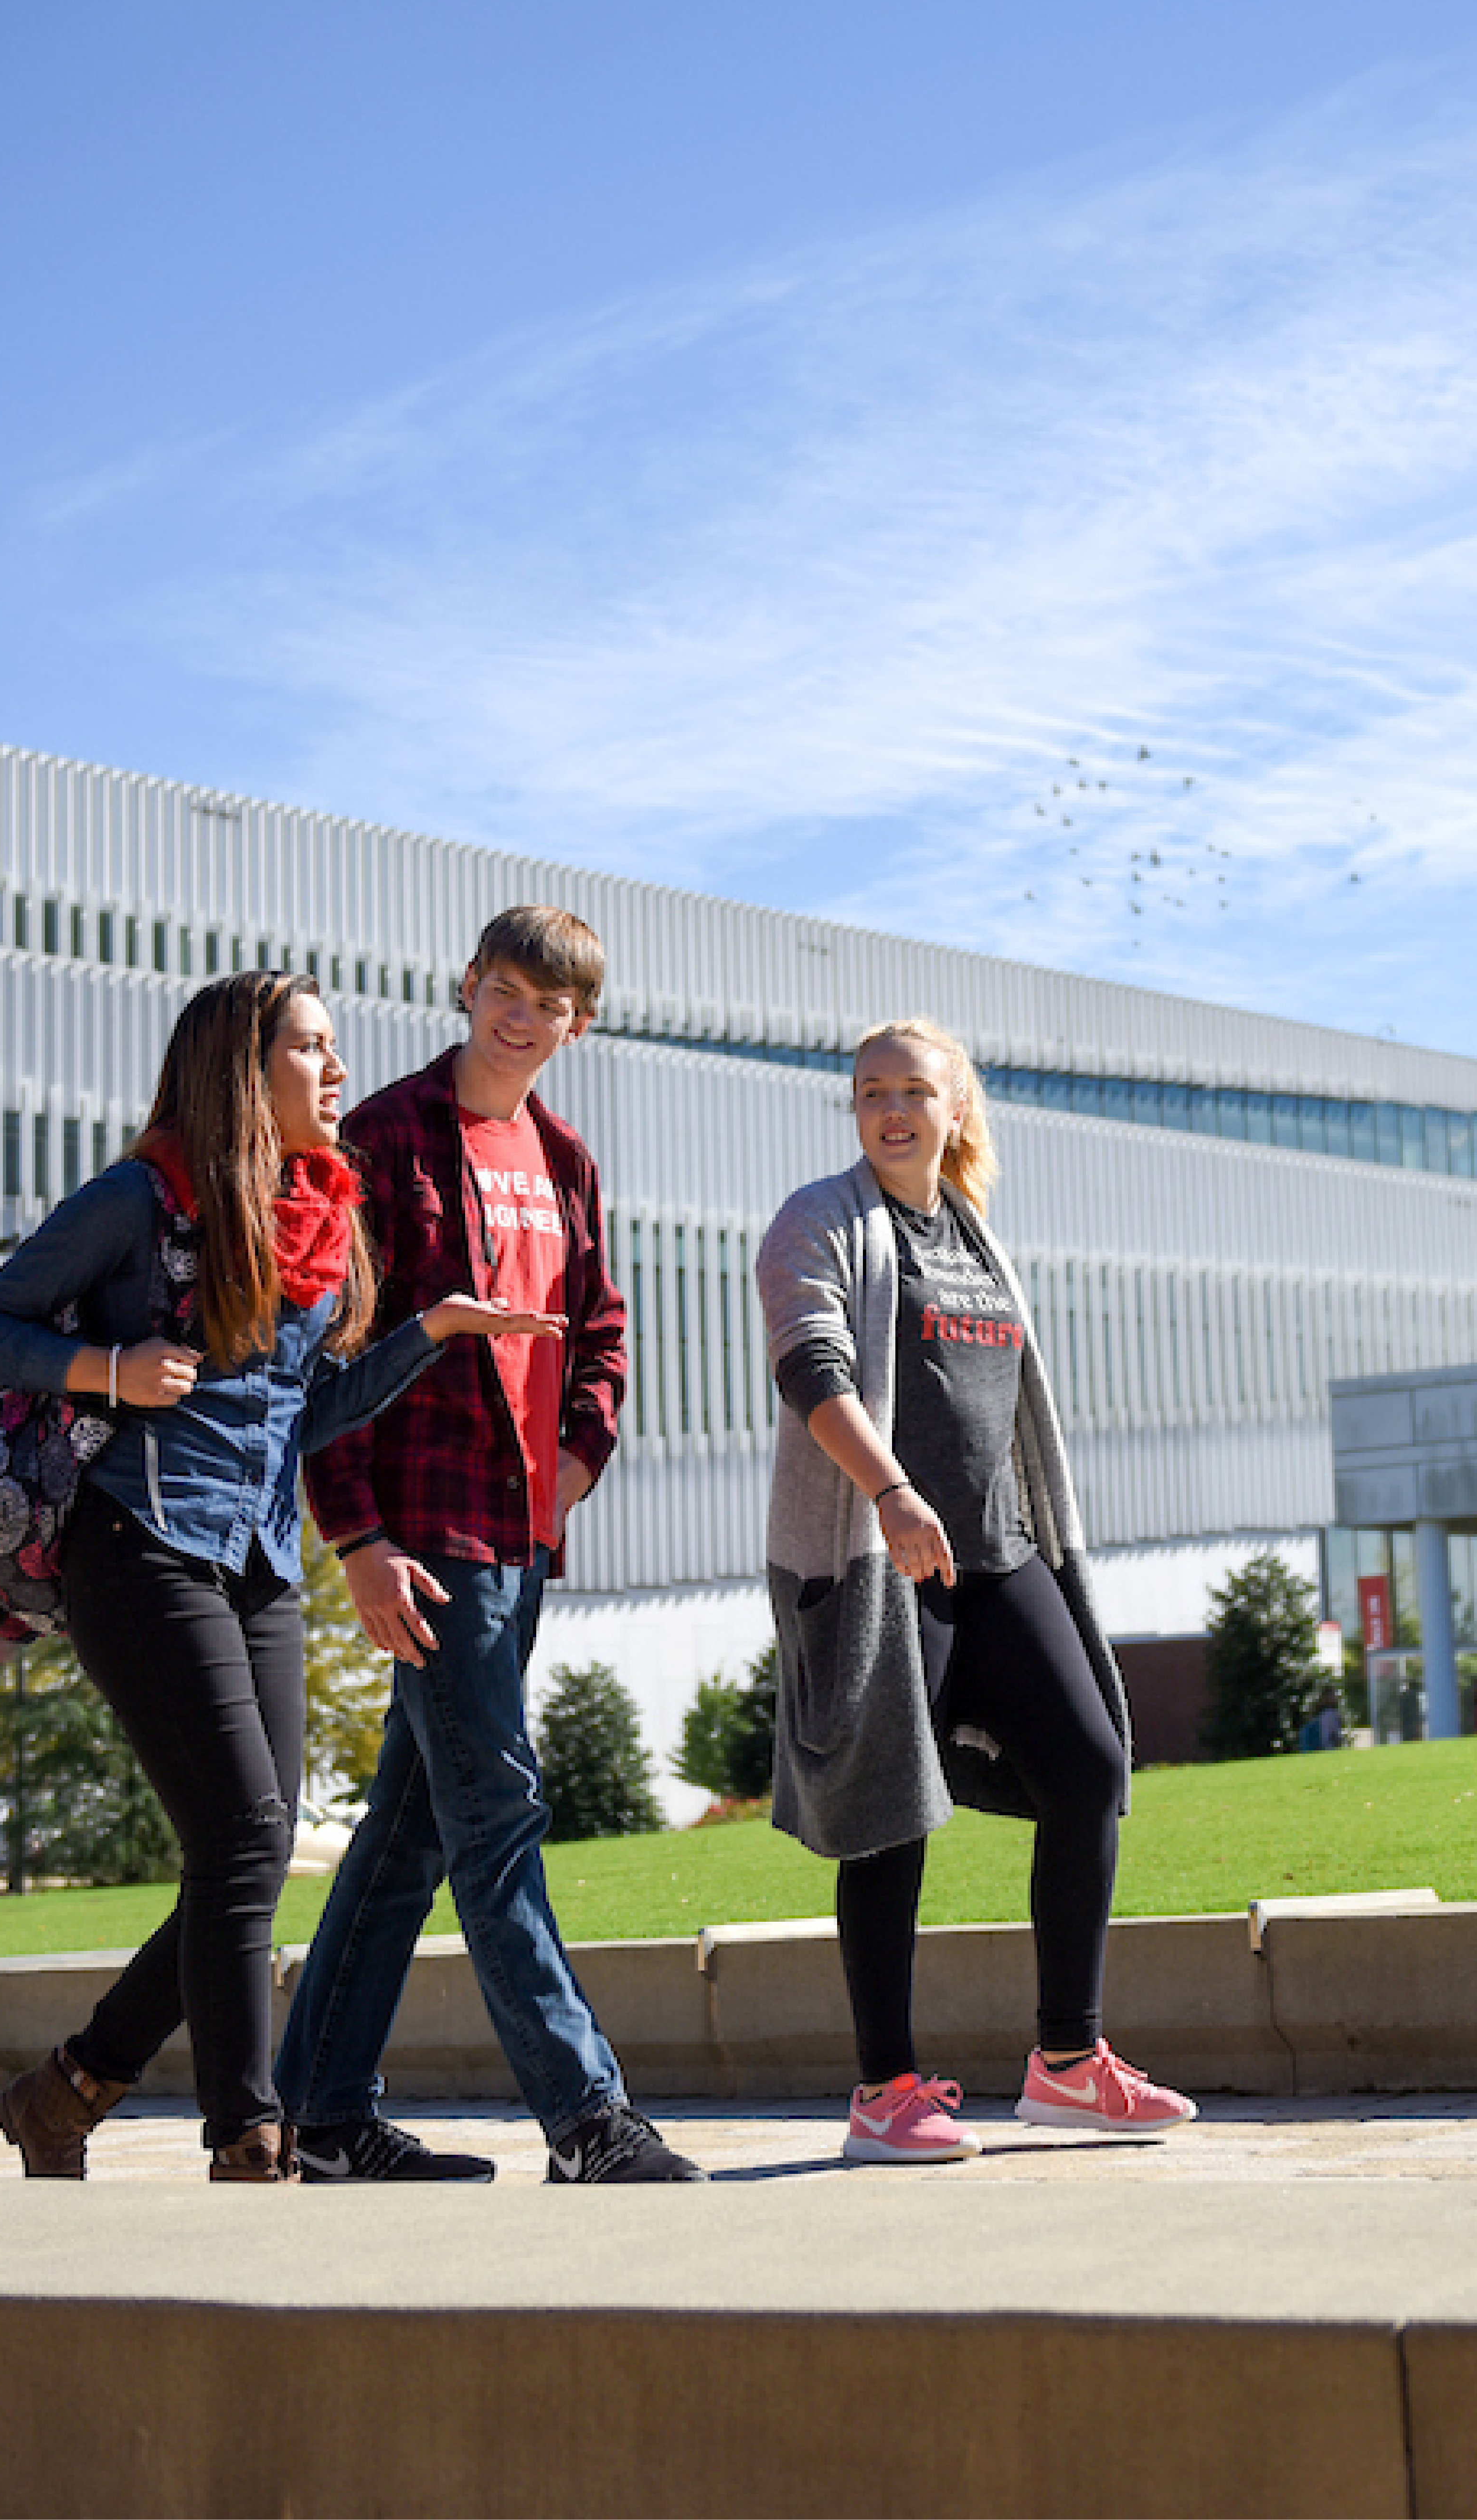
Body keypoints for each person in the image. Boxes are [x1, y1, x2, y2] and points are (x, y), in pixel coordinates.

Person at [0, 970, 529, 2182]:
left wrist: (432, 1333)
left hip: (262, 1559)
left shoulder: (319, 1210)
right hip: (139, 1543)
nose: (336, 1071)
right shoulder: (139, 1196)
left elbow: (307, 1414)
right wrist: (108, 1368)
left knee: (255, 1847)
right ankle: (246, 2132)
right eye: (311, 1048)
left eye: (334, 1048)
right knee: (234, 1835)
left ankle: (69, 2089)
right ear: (242, 1067)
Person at [277, 906, 704, 2185]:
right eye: (506, 990)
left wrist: (575, 1466)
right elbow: (329, 1354)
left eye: (550, 1003)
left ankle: (320, 2117)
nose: (523, 1016)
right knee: (499, 1813)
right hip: (424, 1528)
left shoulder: (565, 1158)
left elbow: (603, 1334)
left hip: (521, 1536)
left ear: (580, 1025)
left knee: (413, 1827)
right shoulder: (388, 1137)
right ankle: (587, 2118)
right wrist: (354, 1535)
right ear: (467, 988)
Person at [756, 1017, 1199, 2164]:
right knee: (887, 1808)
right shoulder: (817, 1219)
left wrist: (1034, 1538)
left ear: (957, 1108)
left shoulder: (971, 1234)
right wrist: (892, 1491)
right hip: (878, 1551)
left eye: (913, 1089)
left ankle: (1066, 2063)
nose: (890, 1108)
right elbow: (812, 1367)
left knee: (1091, 1759)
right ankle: (883, 2090)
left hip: (997, 1552)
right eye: (869, 1091)